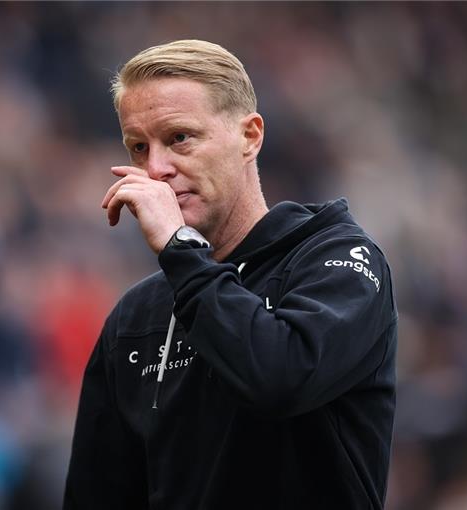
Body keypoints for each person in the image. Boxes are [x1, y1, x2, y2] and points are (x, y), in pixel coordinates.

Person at [64, 39, 397, 509]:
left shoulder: (337, 262)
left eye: (179, 137)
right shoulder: (136, 318)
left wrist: (181, 251)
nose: (156, 169)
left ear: (250, 136)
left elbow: (280, 378)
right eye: (138, 147)